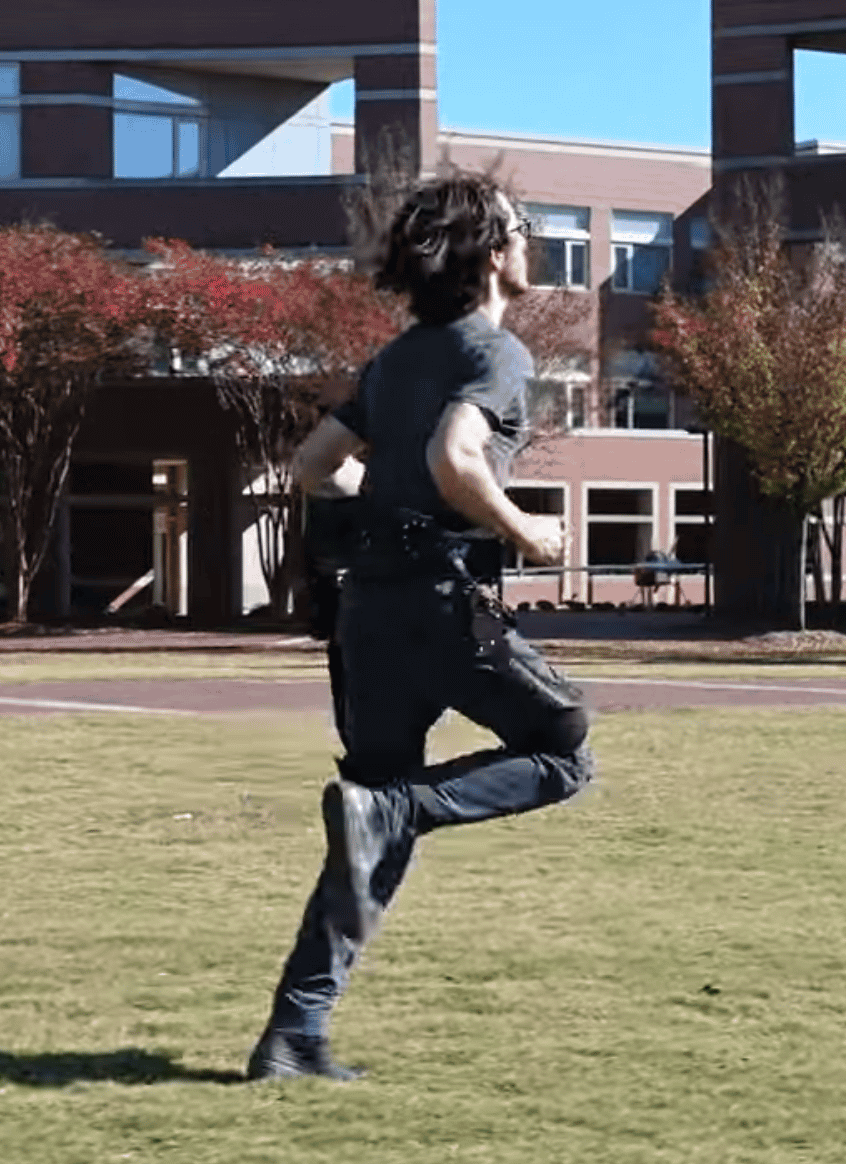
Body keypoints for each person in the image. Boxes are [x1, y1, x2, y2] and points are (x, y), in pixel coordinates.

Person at [246, 171, 600, 1082]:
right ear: (492, 255)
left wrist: (394, 503)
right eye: (523, 227)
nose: (531, 242)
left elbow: (316, 464)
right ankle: (395, 807)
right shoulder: (499, 352)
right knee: (563, 744)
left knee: (371, 820)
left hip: (366, 610)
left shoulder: (394, 359)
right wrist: (525, 529)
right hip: (457, 603)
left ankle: (293, 1036)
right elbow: (455, 455)